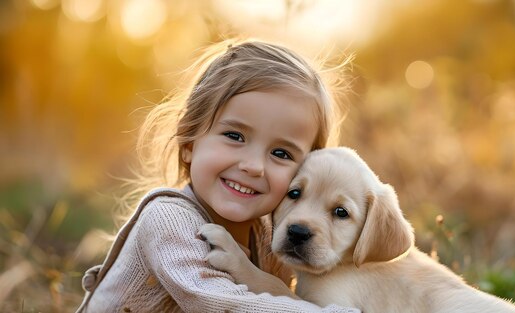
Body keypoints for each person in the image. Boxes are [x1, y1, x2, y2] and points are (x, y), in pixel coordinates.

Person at [76, 39, 358, 312]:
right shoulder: (167, 219)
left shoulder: (272, 235)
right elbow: (221, 304)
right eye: (234, 136)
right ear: (189, 145)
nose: (253, 166)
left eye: (281, 154)